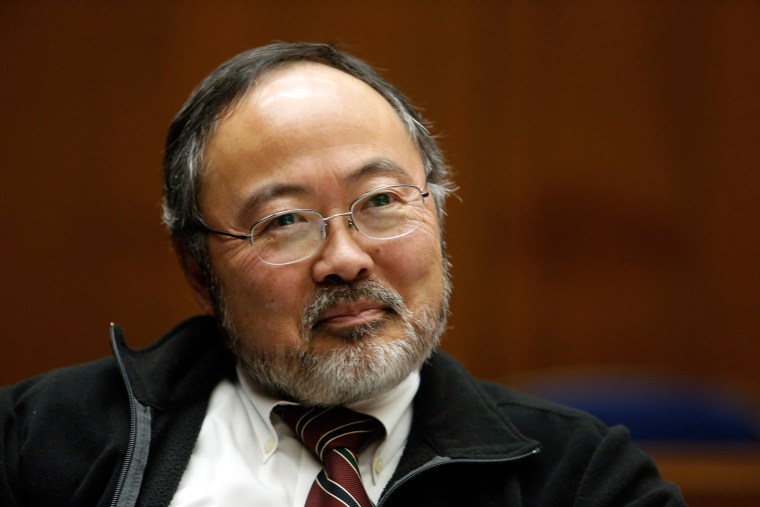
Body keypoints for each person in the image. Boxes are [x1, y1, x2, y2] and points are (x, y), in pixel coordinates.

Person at [0, 42, 685, 506]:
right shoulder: (34, 446)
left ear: (437, 212)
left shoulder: (581, 478)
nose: (346, 258)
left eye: (382, 201)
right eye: (285, 221)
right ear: (199, 269)